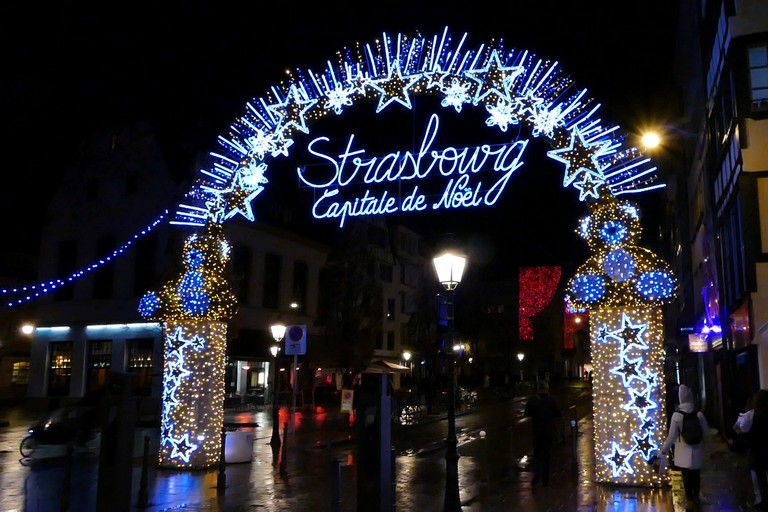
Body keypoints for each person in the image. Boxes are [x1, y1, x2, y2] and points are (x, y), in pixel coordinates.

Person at [660, 384, 709, 511]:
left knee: (686, 476)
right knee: (696, 475)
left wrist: (664, 451)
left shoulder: (677, 416)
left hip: (683, 452)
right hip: (697, 451)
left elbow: (671, 437)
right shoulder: (699, 415)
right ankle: (696, 497)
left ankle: (690, 500)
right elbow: (706, 433)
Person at [524, 379, 561, 487]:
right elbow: (557, 413)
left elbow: (527, 413)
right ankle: (546, 480)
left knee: (537, 455)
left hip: (537, 432)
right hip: (548, 431)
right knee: (547, 456)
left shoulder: (532, 400)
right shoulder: (551, 400)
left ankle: (537, 474)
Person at [744, 389, 768, 510]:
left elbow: (738, 429)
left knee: (759, 478)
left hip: (755, 453)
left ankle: (761, 500)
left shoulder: (751, 416)